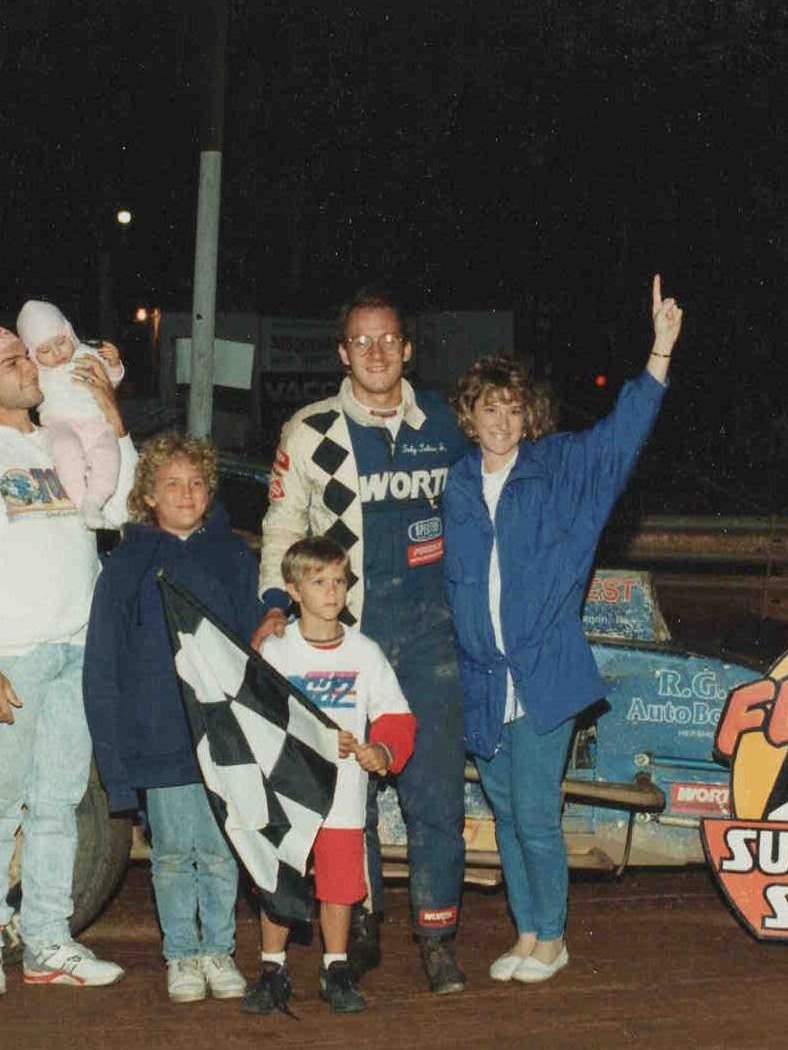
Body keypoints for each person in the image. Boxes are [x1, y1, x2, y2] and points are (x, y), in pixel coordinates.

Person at [442, 275, 682, 984]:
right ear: (470, 415)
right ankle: (526, 932)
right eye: (490, 409)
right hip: (481, 678)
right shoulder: (453, 484)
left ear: (527, 418)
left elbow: (619, 439)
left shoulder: (558, 469)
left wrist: (659, 352)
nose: (502, 421)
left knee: (538, 814)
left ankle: (552, 939)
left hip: (542, 674)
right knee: (507, 812)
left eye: (514, 410)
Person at [253, 291, 472, 993]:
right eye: (360, 342)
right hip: (352, 632)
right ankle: (363, 919)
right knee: (350, 786)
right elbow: (283, 522)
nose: (375, 353)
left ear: (407, 348)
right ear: (341, 352)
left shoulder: (448, 420)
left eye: (388, 340)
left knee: (432, 793)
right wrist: (272, 604)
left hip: (435, 632)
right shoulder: (309, 427)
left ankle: (437, 935)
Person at [0, 323, 135, 998]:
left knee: (60, 802)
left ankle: (46, 941)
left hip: (77, 647)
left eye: (24, 355)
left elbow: (119, 508)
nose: (26, 367)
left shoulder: (59, 437)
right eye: (10, 361)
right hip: (10, 658)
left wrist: (110, 415)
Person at [82, 433, 259, 1005]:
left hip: (224, 738)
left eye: (197, 483)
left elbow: (255, 646)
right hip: (159, 739)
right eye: (172, 484)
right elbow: (103, 665)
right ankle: (182, 954)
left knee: (221, 849)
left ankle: (221, 951)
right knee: (174, 854)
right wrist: (117, 762)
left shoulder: (233, 557)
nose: (186, 493)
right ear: (148, 496)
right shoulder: (126, 564)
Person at [249, 537, 417, 1015]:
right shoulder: (279, 650)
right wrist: (313, 739)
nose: (331, 591)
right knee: (280, 877)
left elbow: (395, 714)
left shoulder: (364, 652)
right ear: (293, 591)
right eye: (318, 582)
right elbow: (255, 713)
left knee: (340, 882)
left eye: (339, 581)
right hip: (287, 791)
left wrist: (382, 750)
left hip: (343, 792)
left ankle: (335, 967)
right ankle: (272, 967)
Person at [14, 299, 127, 527]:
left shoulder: (87, 354)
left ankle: (94, 501)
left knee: (108, 454)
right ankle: (78, 501)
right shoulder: (36, 372)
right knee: (66, 452)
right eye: (45, 350)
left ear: (69, 332)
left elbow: (111, 382)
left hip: (96, 423)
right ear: (32, 354)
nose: (57, 353)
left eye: (61, 342)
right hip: (59, 425)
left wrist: (114, 365)